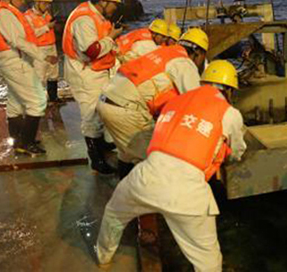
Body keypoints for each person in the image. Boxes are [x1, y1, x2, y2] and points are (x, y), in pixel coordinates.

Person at [96, 60, 246, 271]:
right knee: (207, 259)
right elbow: (238, 149)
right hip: (188, 193)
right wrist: (231, 156)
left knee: (113, 214)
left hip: (144, 179)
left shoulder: (174, 102)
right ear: (229, 90)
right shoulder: (230, 113)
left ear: (203, 82)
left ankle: (103, 260)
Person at [97, 27, 208, 179]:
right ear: (199, 53)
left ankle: (124, 190)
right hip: (126, 110)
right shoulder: (184, 63)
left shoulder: (164, 52)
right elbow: (197, 103)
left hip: (107, 101)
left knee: (127, 153)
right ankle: (143, 199)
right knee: (154, 159)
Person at [0, 0, 58, 156]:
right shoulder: (5, 13)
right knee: (37, 101)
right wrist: (42, 56)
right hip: (14, 59)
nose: (22, 1)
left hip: (9, 58)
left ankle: (19, 138)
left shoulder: (1, 10)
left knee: (15, 101)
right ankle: (26, 142)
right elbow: (18, 40)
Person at [63, 0, 123, 174]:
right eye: (114, 3)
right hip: (85, 73)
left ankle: (101, 146)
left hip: (94, 72)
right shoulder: (85, 19)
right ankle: (96, 160)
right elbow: (92, 50)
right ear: (104, 1)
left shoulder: (94, 15)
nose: (115, 8)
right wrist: (112, 37)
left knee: (99, 111)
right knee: (91, 115)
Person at [24, 0, 59, 102]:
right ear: (37, 3)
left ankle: (53, 98)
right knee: (40, 77)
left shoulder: (47, 15)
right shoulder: (28, 17)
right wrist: (47, 27)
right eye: (44, 3)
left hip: (51, 47)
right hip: (38, 49)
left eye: (48, 3)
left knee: (53, 74)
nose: (47, 6)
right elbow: (30, 34)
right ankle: (38, 102)